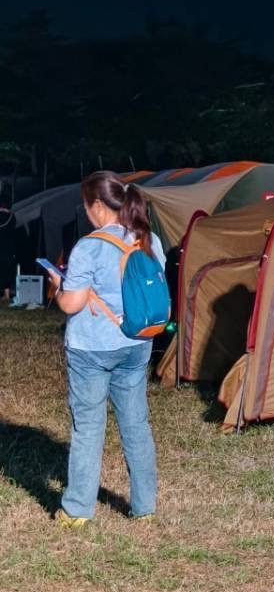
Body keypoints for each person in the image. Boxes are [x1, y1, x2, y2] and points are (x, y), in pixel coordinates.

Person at [45, 171, 165, 526]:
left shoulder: (89, 246)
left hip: (92, 348)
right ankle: (145, 507)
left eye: (86, 205)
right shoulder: (149, 239)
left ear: (98, 205)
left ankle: (78, 510)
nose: (85, 213)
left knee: (88, 427)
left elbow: (71, 304)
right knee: (136, 424)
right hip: (137, 343)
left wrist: (57, 284)